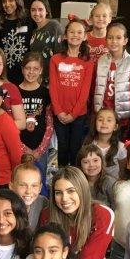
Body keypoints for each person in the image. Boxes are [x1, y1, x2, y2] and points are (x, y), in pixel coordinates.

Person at [42, 166, 114, 259]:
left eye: (71, 191)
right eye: (58, 193)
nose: (64, 198)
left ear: (82, 190)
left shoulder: (102, 214)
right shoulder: (47, 214)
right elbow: (44, 256)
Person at [50, 19, 94, 167]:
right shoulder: (55, 59)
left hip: (79, 115)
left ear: (85, 36)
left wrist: (73, 114)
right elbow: (53, 88)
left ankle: (75, 176)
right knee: (62, 147)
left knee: (76, 148)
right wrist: (58, 112)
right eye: (72, 32)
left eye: (79, 32)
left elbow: (85, 91)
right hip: (60, 114)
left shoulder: (88, 62)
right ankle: (61, 174)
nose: (75, 35)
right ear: (65, 35)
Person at [92, 22, 130, 124]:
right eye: (110, 37)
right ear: (105, 40)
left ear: (125, 41)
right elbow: (94, 87)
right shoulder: (101, 60)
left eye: (118, 38)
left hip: (122, 117)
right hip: (102, 113)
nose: (114, 41)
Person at [19, 52, 54, 178]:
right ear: (22, 69)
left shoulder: (46, 93)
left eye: (35, 69)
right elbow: (10, 124)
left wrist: (40, 150)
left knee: (39, 181)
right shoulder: (15, 91)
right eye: (28, 68)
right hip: (19, 147)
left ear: (41, 70)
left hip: (40, 148)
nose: (31, 72)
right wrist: (24, 149)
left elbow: (49, 124)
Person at [0, 0, 34, 84]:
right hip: (5, 73)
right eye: (4, 1)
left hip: (25, 72)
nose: (7, 4)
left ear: (17, 1)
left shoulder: (28, 20)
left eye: (11, 0)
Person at [84, 107, 125, 176]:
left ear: (115, 127)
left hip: (114, 181)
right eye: (100, 120)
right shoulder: (89, 144)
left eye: (109, 120)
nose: (104, 122)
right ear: (95, 124)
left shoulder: (121, 147)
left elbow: (123, 170)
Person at [10, 159, 47, 229]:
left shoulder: (42, 202)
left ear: (40, 188)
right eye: (23, 185)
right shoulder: (4, 207)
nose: (28, 191)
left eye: (34, 186)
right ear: (11, 186)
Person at [77, 143, 115, 208]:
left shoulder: (109, 182)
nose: (91, 165)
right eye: (86, 162)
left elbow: (116, 207)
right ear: (80, 165)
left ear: (102, 162)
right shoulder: (77, 182)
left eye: (95, 160)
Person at [28, 0, 63, 64]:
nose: (36, 13)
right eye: (33, 10)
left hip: (52, 69)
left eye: (40, 9)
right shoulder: (34, 31)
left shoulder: (54, 26)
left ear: (47, 11)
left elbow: (60, 52)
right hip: (38, 70)